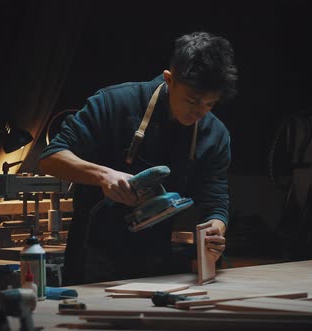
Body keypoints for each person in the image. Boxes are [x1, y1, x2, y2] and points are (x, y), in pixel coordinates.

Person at [39, 31, 238, 286]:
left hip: (156, 260)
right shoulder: (114, 103)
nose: (200, 112)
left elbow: (217, 200)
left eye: (210, 104)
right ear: (169, 79)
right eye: (192, 101)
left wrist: (215, 230)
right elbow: (50, 157)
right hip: (93, 253)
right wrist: (104, 175)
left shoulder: (215, 134)